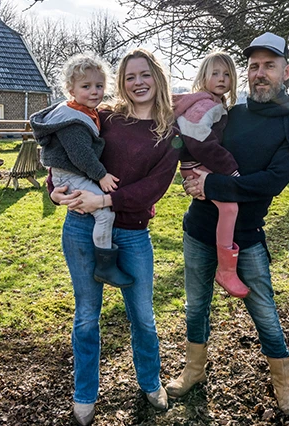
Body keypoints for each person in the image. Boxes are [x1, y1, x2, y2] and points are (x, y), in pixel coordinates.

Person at [166, 32, 289, 417]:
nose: (259, 73)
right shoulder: (230, 113)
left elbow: (272, 181)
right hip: (199, 229)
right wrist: (187, 172)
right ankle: (194, 370)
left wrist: (212, 184)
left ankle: (284, 386)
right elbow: (193, 144)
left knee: (263, 311)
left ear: (287, 71)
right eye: (253, 66)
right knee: (196, 306)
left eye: (269, 66)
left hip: (245, 238)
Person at [47, 48, 179, 426]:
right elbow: (64, 154)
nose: (138, 82)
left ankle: (150, 381)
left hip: (133, 234)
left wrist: (105, 200)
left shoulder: (169, 133)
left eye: (144, 74)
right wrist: (54, 192)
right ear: (121, 82)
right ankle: (85, 393)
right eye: (130, 76)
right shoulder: (104, 117)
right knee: (87, 317)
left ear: (157, 78)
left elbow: (154, 188)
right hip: (81, 226)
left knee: (143, 317)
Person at [31, 53, 134, 288]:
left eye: (99, 85)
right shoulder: (72, 119)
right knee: (105, 214)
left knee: (100, 211)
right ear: (71, 90)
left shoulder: (85, 112)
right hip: (70, 175)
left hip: (71, 174)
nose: (94, 91)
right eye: (86, 86)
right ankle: (105, 266)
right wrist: (101, 175)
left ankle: (103, 261)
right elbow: (81, 155)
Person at [173, 51, 249, 299]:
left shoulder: (214, 102)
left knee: (226, 207)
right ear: (202, 76)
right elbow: (199, 140)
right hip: (198, 164)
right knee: (229, 208)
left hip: (198, 164)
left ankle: (225, 265)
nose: (221, 78)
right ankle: (226, 270)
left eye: (227, 74)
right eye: (215, 73)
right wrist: (230, 169)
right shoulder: (206, 104)